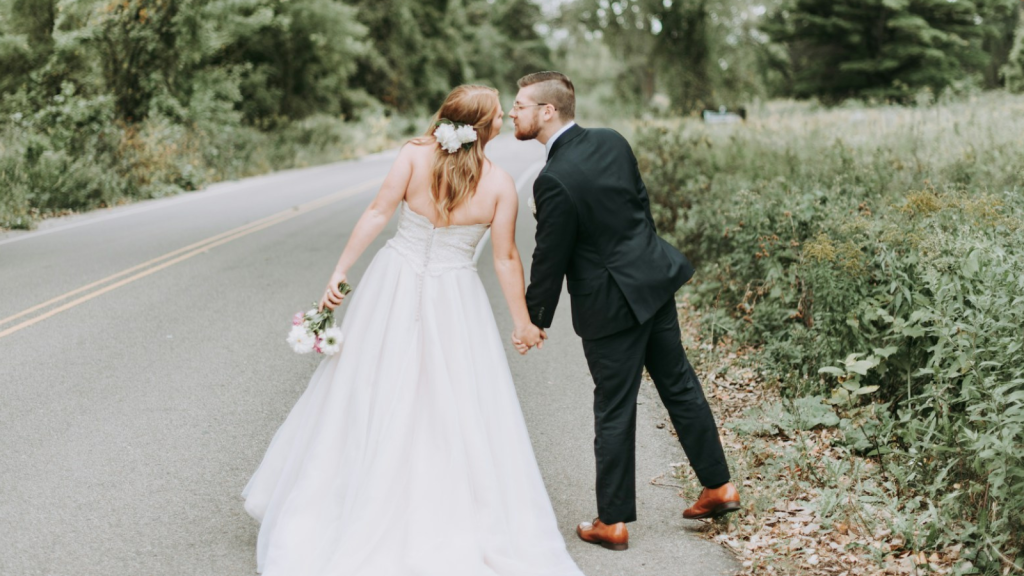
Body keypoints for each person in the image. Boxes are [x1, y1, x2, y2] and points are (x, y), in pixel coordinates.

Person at [242, 85, 583, 576]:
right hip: (455, 297)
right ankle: (446, 508)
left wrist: (339, 272)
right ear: (484, 130)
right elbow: (507, 258)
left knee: (367, 388)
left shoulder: (414, 156)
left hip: (393, 283)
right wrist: (523, 323)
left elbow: (379, 212)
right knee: (453, 400)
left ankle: (344, 499)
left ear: (446, 119)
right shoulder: (501, 184)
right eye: (498, 118)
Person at [509, 71, 741, 552]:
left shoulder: (552, 179)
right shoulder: (613, 141)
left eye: (519, 104)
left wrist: (534, 320)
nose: (512, 111)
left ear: (547, 111)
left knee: (614, 408)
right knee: (679, 384)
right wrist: (644, 261)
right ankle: (719, 486)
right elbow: (640, 208)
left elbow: (549, 259)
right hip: (653, 282)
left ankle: (612, 522)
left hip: (609, 305)